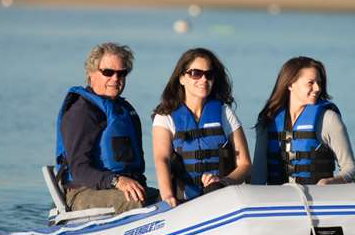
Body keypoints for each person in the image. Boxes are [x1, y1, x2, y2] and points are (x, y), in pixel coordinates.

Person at [55, 42, 156, 214]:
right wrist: (117, 181)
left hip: (125, 188)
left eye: (121, 73)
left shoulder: (125, 112)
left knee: (171, 199)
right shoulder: (82, 112)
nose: (115, 78)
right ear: (91, 74)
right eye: (108, 72)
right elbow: (79, 169)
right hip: (84, 192)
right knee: (136, 203)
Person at [151, 48, 251, 207]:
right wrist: (167, 197)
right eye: (196, 73)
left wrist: (223, 182)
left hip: (219, 195)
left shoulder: (225, 113)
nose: (203, 79)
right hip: (182, 200)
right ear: (182, 78)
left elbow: (245, 163)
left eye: (209, 74)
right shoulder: (165, 117)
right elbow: (161, 159)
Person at [251, 56, 355, 185]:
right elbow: (258, 176)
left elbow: (350, 168)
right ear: (290, 84)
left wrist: (332, 181)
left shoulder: (328, 119)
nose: (318, 88)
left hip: (318, 197)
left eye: (319, 82)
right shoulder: (267, 121)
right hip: (278, 199)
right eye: (310, 83)